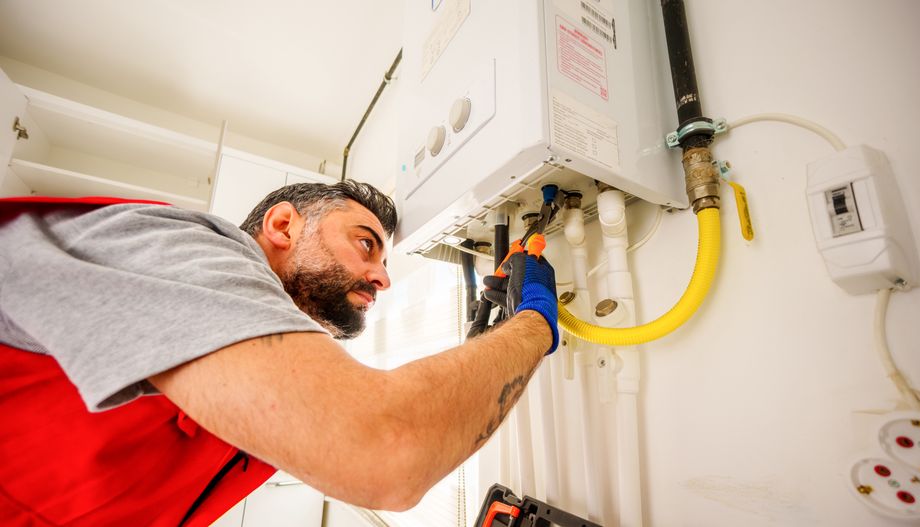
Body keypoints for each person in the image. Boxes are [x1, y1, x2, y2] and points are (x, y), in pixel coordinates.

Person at [0, 180, 558, 525]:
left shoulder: (264, 360)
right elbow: (388, 452)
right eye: (366, 244)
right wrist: (535, 322)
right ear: (284, 224)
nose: (383, 278)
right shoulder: (184, 246)